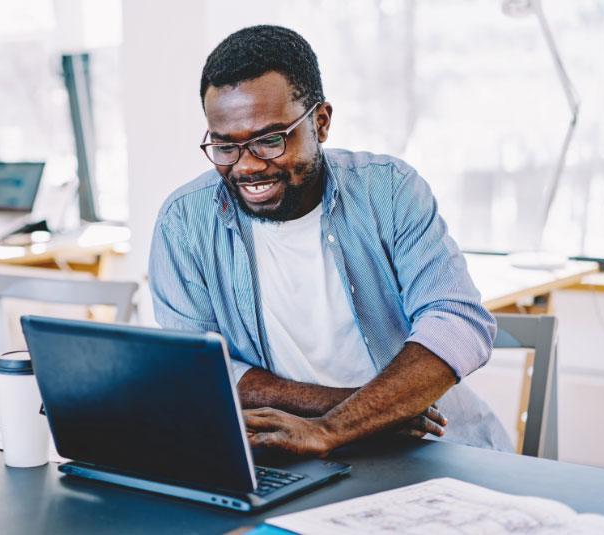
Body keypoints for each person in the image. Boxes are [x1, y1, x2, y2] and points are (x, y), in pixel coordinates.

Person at [149, 25, 512, 456]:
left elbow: (457, 321)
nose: (247, 167)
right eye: (226, 146)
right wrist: (350, 414)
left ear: (321, 123)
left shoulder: (389, 190)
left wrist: (331, 428)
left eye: (269, 140)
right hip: (288, 456)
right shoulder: (184, 222)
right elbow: (204, 369)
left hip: (432, 450)